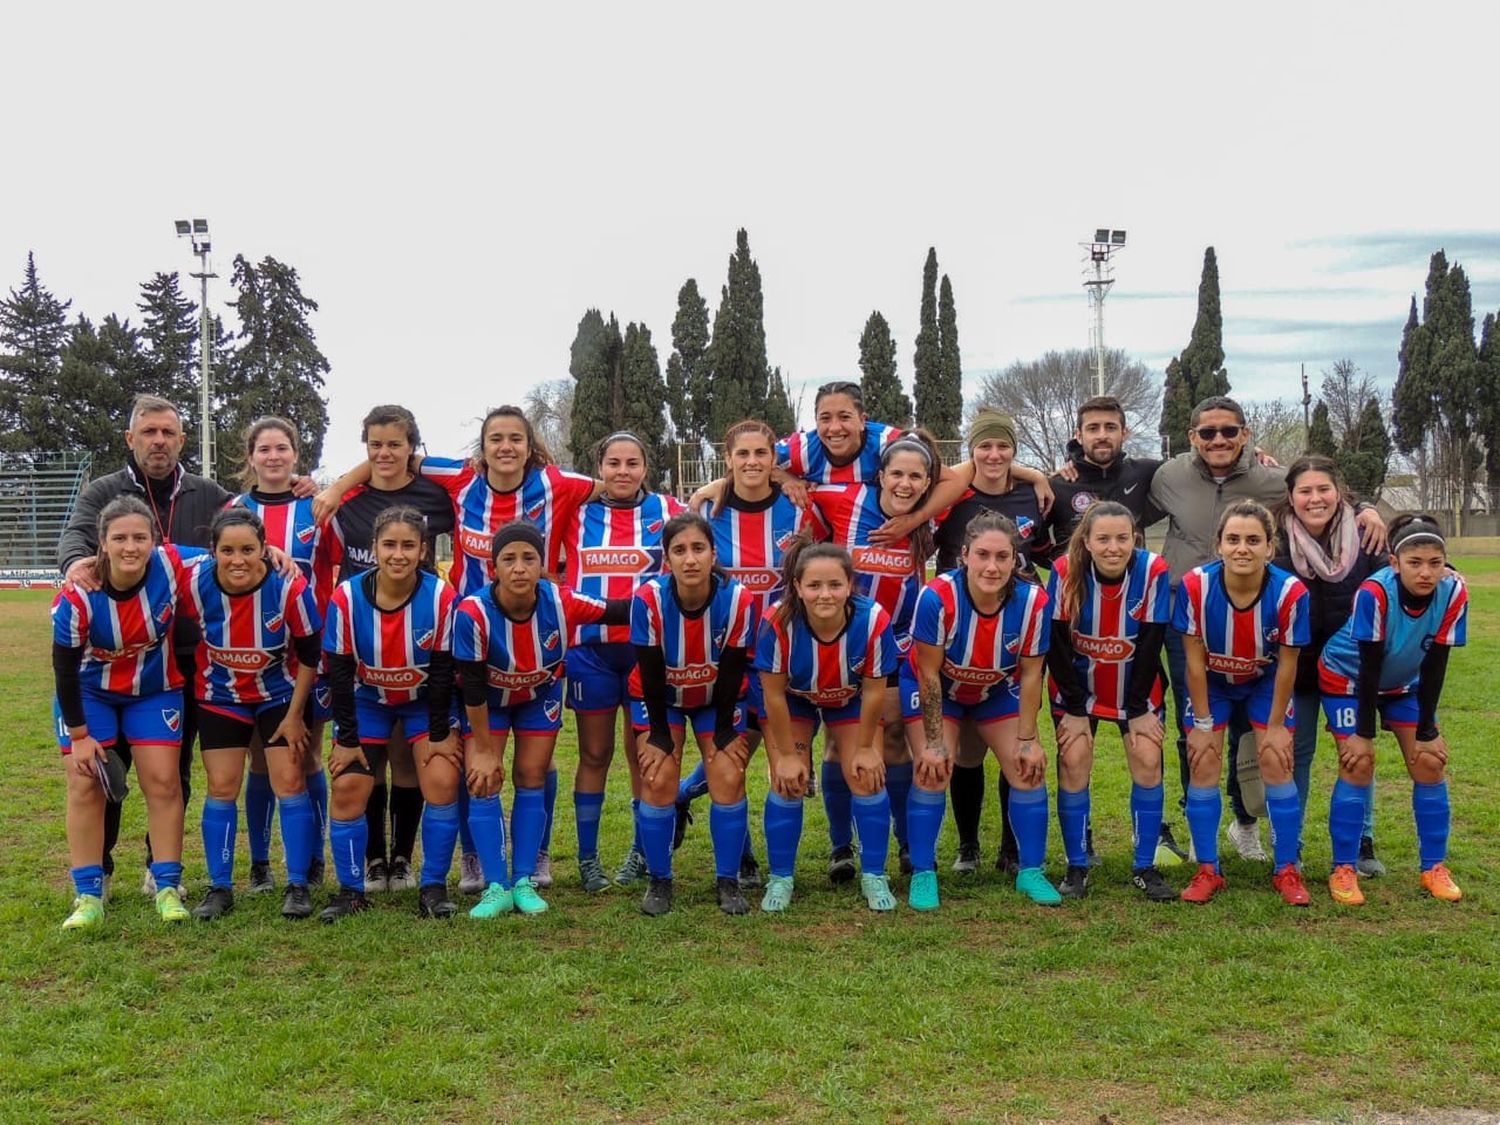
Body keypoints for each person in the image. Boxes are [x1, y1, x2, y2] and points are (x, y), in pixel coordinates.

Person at [320, 405, 601, 892]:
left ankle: (535, 854)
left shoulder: (557, 482)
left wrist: (711, 491)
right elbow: (393, 458)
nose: (506, 447)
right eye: (496, 438)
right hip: (472, 641)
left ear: (530, 446)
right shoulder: (460, 477)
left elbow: (615, 485)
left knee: (537, 763)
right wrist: (336, 487)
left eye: (516, 438)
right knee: (477, 755)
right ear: (483, 448)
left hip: (535, 635)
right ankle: (473, 858)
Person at [1148, 396, 1384, 864]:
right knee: (1193, 725)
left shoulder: (1272, 478)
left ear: (1246, 433)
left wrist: (1371, 507)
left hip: (1257, 617)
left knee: (1249, 731)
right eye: (1208, 432)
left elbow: (1320, 493)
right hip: (1189, 614)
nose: (1219, 440)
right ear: (1192, 437)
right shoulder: (1166, 476)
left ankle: (1246, 823)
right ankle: (1200, 826)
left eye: (1229, 431)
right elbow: (1119, 504)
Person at [58, 395, 231, 898]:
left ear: (181, 439)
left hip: (176, 658)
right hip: (107, 654)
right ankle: (100, 872)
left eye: (168, 433)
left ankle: (161, 871)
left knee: (170, 770)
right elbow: (73, 536)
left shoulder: (209, 492)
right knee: (104, 770)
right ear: (131, 439)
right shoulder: (102, 491)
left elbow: (239, 534)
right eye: (149, 432)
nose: (159, 441)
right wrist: (76, 564)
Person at [452, 522, 630, 918]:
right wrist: (481, 749)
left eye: (529, 558)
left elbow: (621, 611)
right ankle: (495, 887)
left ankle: (523, 881)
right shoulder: (473, 612)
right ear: (494, 566)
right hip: (488, 703)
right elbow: (474, 687)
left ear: (542, 564)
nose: (519, 568)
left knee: (532, 775)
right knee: (483, 778)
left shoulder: (561, 601)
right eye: (509, 559)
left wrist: (676, 595)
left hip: (538, 696)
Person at [676, 419, 825, 879]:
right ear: (729, 459)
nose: (752, 462)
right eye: (743, 455)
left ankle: (681, 794)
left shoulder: (799, 508)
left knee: (785, 745)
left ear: (773, 460)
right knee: (735, 753)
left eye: (761, 454)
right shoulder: (708, 510)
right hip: (731, 652)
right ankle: (742, 859)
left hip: (788, 651)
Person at [320, 405, 456, 895]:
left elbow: (443, 670)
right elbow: (337, 671)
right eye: (375, 445)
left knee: (425, 770)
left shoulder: (437, 500)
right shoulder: (348, 500)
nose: (383, 453)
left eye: (394, 444)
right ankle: (364, 872)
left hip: (419, 686)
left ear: (423, 547)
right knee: (357, 775)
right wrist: (332, 488)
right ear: (374, 547)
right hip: (365, 676)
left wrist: (441, 731)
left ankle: (411, 868)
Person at [52, 496, 205, 928]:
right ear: (102, 543)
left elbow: (228, 549)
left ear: (154, 541)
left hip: (152, 691)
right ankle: (88, 893)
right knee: (85, 784)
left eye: (140, 537)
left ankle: (168, 885)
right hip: (88, 694)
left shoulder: (171, 564)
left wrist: (270, 550)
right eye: (119, 538)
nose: (130, 547)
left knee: (164, 782)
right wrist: (80, 736)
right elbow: (63, 667)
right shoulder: (79, 593)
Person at [903, 512, 1058, 910]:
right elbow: (929, 673)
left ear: (1014, 560)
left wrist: (1028, 739)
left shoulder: (1033, 602)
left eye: (1002, 557)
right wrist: (934, 742)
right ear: (965, 555)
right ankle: (923, 873)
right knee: (932, 768)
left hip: (995, 690)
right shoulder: (937, 596)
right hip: (942, 691)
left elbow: (1030, 674)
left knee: (1027, 768)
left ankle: (1030, 871)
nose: (992, 566)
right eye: (983, 555)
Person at [805, 432, 940, 881]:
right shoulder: (846, 499)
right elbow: (786, 478)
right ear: (880, 474)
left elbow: (969, 474)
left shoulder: (930, 513)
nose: (904, 483)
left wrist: (1029, 474)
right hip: (845, 641)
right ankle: (841, 845)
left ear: (926, 483)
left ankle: (902, 841)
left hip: (899, 642)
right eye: (896, 474)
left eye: (915, 477)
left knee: (896, 734)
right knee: (838, 742)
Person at [179, 507, 322, 921]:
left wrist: (296, 716)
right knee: (222, 785)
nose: (237, 559)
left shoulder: (288, 586)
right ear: (213, 552)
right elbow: (155, 555)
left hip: (280, 695)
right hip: (220, 695)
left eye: (248, 549)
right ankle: (219, 887)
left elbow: (311, 654)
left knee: (289, 780)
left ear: (265, 550)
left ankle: (297, 884)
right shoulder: (193, 579)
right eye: (227, 550)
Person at [1318, 514, 1468, 906]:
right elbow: (1369, 664)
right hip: (1348, 678)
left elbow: (1436, 661)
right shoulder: (1374, 592)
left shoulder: (1454, 592)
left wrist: (1428, 729)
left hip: (1405, 684)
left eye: (1435, 563)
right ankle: (1344, 868)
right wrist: (1363, 733)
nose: (1426, 572)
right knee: (1358, 763)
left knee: (1430, 763)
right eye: (1415, 563)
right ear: (1394, 562)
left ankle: (1433, 867)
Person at [1172, 500, 1311, 905]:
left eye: (1253, 540)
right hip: (1213, 683)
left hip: (1264, 682)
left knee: (1275, 759)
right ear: (1219, 545)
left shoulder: (1289, 592)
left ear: (1271, 547)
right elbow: (1194, 665)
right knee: (1204, 760)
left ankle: (1286, 868)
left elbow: (1287, 666)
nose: (1242, 548)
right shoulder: (1196, 586)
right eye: (1233, 539)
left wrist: (1274, 729)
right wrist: (1201, 726)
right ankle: (1208, 871)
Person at [565, 432, 684, 891]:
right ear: (600, 468)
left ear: (645, 468)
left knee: (643, 758)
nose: (622, 471)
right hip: (589, 652)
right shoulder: (575, 512)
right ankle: (588, 858)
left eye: (632, 463)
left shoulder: (669, 512)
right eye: (613, 463)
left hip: (645, 654)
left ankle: (640, 852)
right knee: (594, 754)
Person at [754, 539, 901, 912]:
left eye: (835, 585)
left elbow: (873, 692)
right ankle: (781, 878)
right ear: (798, 588)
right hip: (794, 698)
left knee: (867, 774)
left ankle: (873, 874)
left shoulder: (873, 620)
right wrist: (785, 755)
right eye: (814, 586)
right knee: (789, 780)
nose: (825, 594)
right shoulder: (777, 621)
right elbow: (772, 695)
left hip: (850, 697)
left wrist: (867, 747)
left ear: (850, 585)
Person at [936, 410, 1050, 878]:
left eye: (1003, 446)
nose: (994, 454)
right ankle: (967, 846)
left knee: (1013, 747)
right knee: (965, 751)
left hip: (1013, 631)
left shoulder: (1035, 496)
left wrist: (1038, 475)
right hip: (959, 629)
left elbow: (1052, 548)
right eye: (984, 446)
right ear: (971, 450)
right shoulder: (953, 495)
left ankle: (1011, 845)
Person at [1044, 501, 1176, 901]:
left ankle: (1144, 867)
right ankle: (1076, 867)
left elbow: (1152, 642)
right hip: (1076, 686)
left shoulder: (1153, 569)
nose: (1113, 547)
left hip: (1135, 685)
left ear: (1134, 538)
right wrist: (1076, 708)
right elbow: (1057, 644)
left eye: (1122, 538)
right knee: (1074, 760)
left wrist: (1136, 710)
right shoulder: (1066, 570)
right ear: (1087, 540)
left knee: (1148, 760)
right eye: (1103, 539)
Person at [629, 512, 755, 915]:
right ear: (667, 559)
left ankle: (728, 880)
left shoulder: (737, 599)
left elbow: (734, 667)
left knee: (729, 775)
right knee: (658, 776)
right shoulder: (648, 598)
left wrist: (722, 731)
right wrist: (661, 736)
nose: (690, 559)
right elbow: (649, 670)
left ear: (713, 553)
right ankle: (660, 880)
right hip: (661, 698)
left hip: (716, 698)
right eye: (679, 551)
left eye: (698, 548)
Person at [1270, 456, 1387, 873]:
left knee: (1355, 753)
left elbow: (1394, 579)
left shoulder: (1366, 534)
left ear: (1339, 492)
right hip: (1295, 670)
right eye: (1305, 491)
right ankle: (1290, 844)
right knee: (1294, 755)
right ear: (1291, 496)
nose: (1315, 499)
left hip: (1349, 671)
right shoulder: (1276, 540)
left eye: (1323, 489)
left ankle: (1362, 841)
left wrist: (1445, 569)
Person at [232, 416, 334, 893]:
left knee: (308, 755)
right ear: (251, 457)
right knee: (260, 759)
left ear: (296, 454)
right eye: (264, 449)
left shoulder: (316, 509)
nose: (273, 456)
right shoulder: (235, 508)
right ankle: (259, 863)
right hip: (255, 655)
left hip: (309, 653)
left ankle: (312, 857)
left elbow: (333, 571)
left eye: (282, 448)